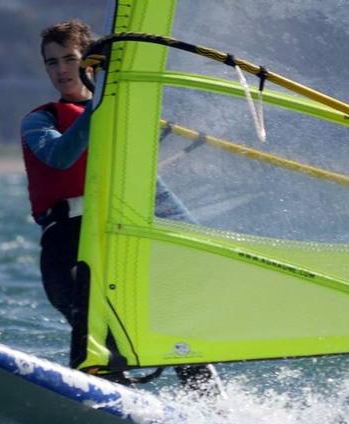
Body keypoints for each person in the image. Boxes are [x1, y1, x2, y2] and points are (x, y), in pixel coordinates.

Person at [20, 19, 222, 396]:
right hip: (68, 250)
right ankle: (99, 398)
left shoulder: (126, 124)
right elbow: (60, 156)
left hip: (118, 247)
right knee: (95, 332)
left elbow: (163, 202)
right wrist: (101, 108)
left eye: (70, 59)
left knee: (174, 328)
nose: (61, 70)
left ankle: (211, 406)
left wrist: (201, 250)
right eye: (52, 62)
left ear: (90, 63)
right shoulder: (40, 120)